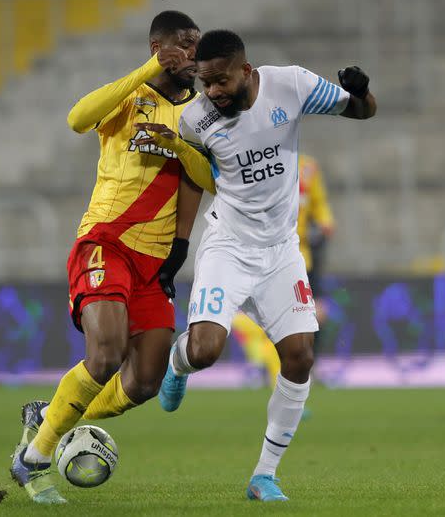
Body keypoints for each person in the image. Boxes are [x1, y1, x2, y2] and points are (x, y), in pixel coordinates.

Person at [136, 29, 375, 501]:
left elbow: (363, 110)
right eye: (206, 83)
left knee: (301, 356)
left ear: (246, 70)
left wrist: (362, 90)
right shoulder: (196, 120)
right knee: (205, 350)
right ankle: (178, 368)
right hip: (229, 244)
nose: (213, 93)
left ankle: (264, 475)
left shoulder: (293, 85)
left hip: (282, 250)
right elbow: (191, 174)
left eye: (221, 81)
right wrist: (180, 243)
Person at [9, 11, 215, 504]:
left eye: (197, 44)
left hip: (154, 262)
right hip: (105, 242)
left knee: (144, 380)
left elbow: (210, 180)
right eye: (184, 45)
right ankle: (34, 459)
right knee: (103, 356)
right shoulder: (128, 96)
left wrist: (178, 152)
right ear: (158, 48)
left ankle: (47, 415)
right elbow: (77, 119)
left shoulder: (201, 114)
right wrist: (146, 73)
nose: (193, 54)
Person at [233, 154, 335, 388]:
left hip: (302, 257)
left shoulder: (308, 167)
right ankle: (263, 365)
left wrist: (325, 221)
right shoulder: (261, 161)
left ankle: (308, 367)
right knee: (263, 315)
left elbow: (318, 204)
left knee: (312, 314)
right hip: (267, 254)